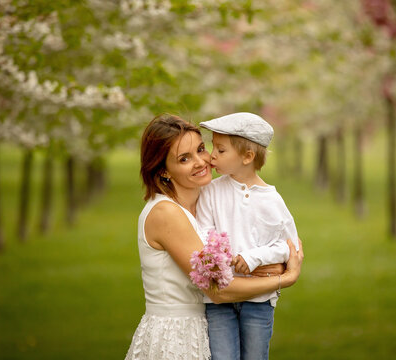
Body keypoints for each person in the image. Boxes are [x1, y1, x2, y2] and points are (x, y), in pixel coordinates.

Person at [124, 114, 303, 360]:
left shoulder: (207, 201)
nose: (201, 162)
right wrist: (286, 277)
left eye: (200, 149)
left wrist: (265, 259)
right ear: (164, 170)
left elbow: (265, 241)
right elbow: (219, 289)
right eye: (184, 158)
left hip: (205, 329)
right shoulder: (166, 213)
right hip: (177, 340)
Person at [196, 112, 299, 360]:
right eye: (212, 147)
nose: (211, 156)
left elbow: (288, 246)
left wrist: (253, 257)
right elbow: (203, 234)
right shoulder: (210, 192)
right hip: (219, 302)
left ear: (247, 157)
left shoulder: (271, 200)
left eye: (220, 150)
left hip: (259, 300)